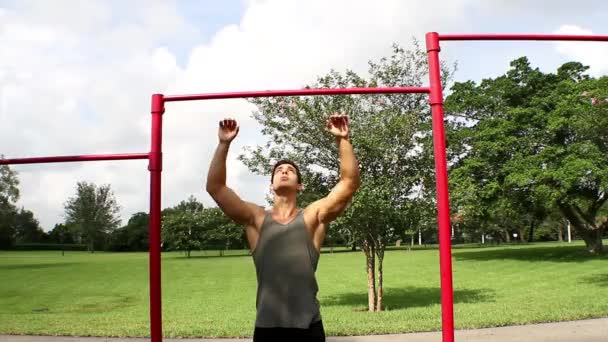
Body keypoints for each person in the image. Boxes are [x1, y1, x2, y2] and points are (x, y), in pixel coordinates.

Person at [206, 113, 360, 342]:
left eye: (290, 169)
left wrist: (343, 139)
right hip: (268, 329)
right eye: (279, 170)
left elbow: (349, 182)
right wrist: (223, 144)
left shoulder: (312, 217)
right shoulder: (256, 219)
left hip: (308, 327)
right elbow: (215, 188)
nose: (284, 171)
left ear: (300, 185)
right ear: (271, 186)